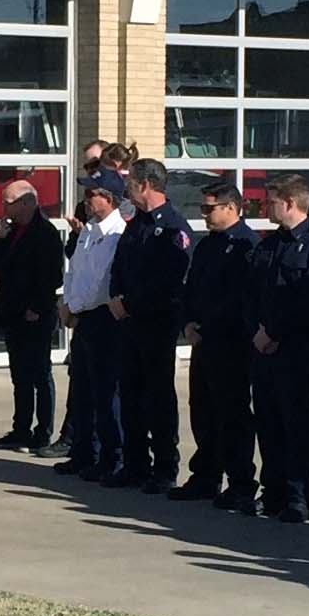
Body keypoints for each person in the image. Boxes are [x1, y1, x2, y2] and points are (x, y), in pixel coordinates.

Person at [247, 174, 309, 523]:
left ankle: (300, 495)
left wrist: (275, 333)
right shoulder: (268, 245)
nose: (266, 207)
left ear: (289, 203)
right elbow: (251, 294)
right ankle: (273, 492)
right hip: (263, 347)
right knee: (268, 420)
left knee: (296, 421)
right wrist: (257, 330)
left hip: (298, 348)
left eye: (271, 201)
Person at [106, 157, 193, 492]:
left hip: (156, 323)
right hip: (128, 324)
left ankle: (164, 467)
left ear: (145, 185)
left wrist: (130, 302)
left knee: (157, 397)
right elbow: (120, 265)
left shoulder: (173, 227)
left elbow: (168, 280)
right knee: (129, 394)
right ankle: (135, 462)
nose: (126, 190)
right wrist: (116, 296)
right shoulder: (137, 223)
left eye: (130, 184)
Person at [176, 181, 260, 507]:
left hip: (231, 344)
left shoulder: (246, 245)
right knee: (203, 410)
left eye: (209, 208)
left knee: (233, 414)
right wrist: (188, 323)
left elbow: (241, 298)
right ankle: (206, 475)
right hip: (203, 341)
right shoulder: (207, 245)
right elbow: (191, 288)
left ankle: (240, 482)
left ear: (231, 207)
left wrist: (211, 325)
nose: (204, 214)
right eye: (203, 208)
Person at [53, 170, 127, 480]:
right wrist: (67, 304)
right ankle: (82, 452)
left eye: (90, 195)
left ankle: (110, 457)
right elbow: (75, 272)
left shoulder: (116, 233)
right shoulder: (89, 230)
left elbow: (101, 282)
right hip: (81, 315)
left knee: (105, 393)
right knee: (81, 389)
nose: (85, 201)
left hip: (101, 318)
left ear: (108, 199)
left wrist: (76, 306)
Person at [0, 180, 63, 452]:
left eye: (8, 203)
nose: (4, 208)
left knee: (39, 374)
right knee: (19, 375)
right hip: (12, 311)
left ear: (26, 203)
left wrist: (38, 307)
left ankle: (42, 432)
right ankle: (20, 428)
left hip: (36, 314)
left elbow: (51, 276)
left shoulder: (45, 233)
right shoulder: (12, 231)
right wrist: (0, 238)